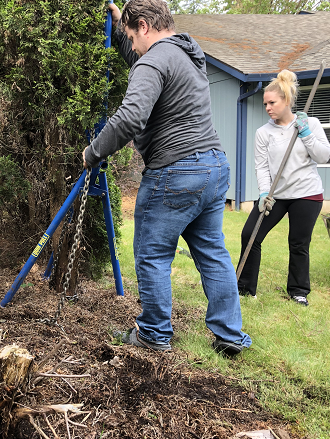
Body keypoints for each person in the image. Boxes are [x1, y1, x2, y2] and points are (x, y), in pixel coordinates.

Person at [82, 0, 251, 356]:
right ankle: (230, 335)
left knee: (152, 253)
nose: (133, 45)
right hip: (214, 167)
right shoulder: (189, 54)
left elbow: (130, 118)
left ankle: (154, 334)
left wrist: (92, 152)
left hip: (175, 171)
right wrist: (118, 23)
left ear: (144, 26)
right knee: (212, 251)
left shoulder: (155, 59)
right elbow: (147, 66)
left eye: (131, 36)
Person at [236, 70, 330, 306]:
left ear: (286, 101)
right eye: (265, 103)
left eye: (272, 102)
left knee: (298, 242)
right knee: (250, 235)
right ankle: (245, 288)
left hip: (307, 194)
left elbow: (324, 156)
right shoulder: (263, 133)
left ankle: (299, 291)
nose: (268, 107)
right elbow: (261, 167)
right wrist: (263, 193)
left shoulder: (309, 123)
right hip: (276, 195)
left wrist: (306, 134)